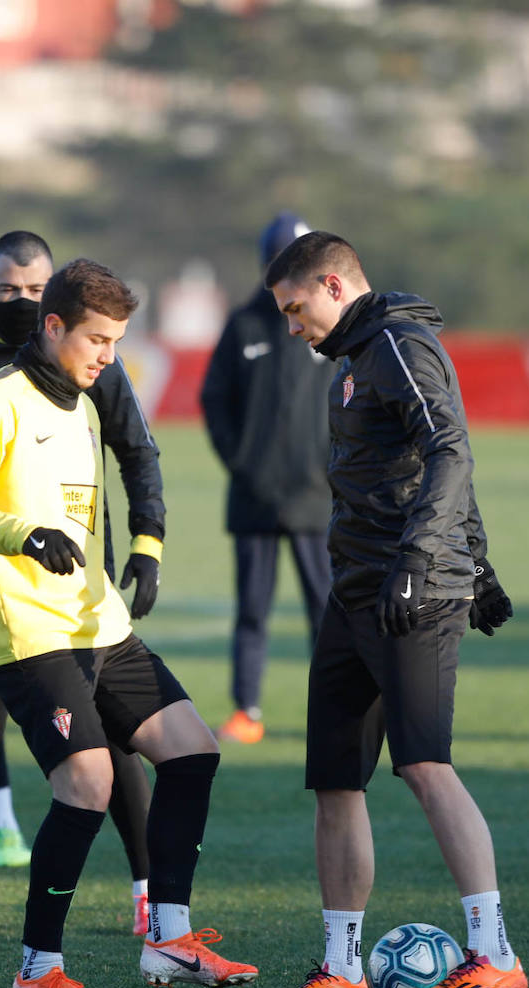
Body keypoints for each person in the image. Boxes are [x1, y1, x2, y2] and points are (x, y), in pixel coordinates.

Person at [0, 258, 256, 988]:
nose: (109, 355)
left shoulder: (84, 399)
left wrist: (146, 544)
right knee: (89, 781)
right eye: (97, 339)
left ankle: (170, 937)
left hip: (97, 620)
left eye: (117, 341)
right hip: (29, 633)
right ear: (52, 328)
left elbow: (134, 464)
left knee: (193, 749)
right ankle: (36, 974)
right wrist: (23, 534)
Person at [262, 232, 522, 988]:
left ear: (335, 286)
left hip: (411, 591)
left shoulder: (401, 345)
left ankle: (495, 953)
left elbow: (450, 450)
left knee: (423, 765)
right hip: (356, 592)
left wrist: (438, 565)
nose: (290, 325)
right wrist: (476, 562)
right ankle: (342, 970)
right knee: (336, 780)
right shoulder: (353, 360)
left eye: (295, 307)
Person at [0, 231, 163, 935]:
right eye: (8, 288)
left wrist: (146, 543)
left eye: (33, 288)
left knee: (111, 747)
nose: (19, 298)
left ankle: (147, 891)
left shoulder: (92, 361)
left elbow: (137, 454)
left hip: (78, 592)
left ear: (52, 301)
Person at [201, 212, 335, 744]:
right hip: (254, 496)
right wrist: (243, 462)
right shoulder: (245, 325)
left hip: (317, 497)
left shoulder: (329, 326)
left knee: (328, 613)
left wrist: (331, 467)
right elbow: (214, 401)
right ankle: (247, 712)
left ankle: (333, 710)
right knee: (252, 611)